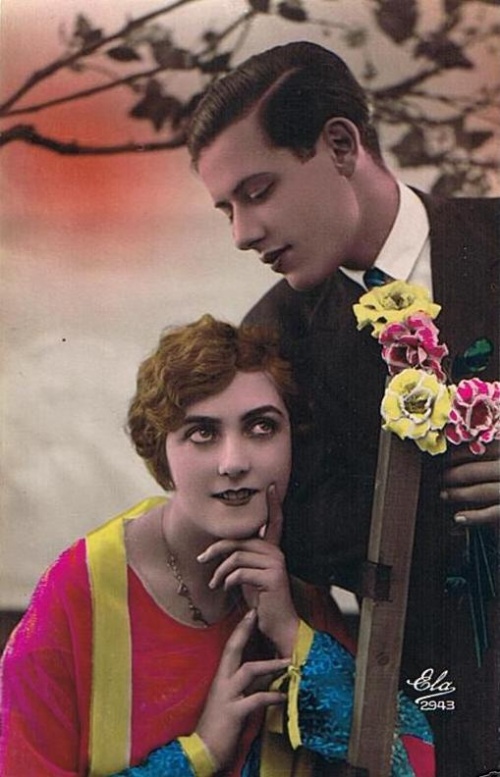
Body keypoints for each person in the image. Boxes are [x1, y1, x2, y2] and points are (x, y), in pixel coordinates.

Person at [186, 42, 500, 776]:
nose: (242, 233)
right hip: (436, 711)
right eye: (227, 209)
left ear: (339, 145)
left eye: (257, 191)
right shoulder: (271, 350)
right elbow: (301, 535)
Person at [0, 315, 434, 776]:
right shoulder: (79, 590)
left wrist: (290, 632)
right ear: (160, 449)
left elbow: (412, 762)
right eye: (202, 433)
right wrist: (199, 754)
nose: (233, 462)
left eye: (261, 427)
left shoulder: (295, 593)